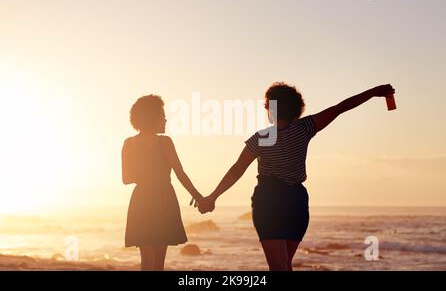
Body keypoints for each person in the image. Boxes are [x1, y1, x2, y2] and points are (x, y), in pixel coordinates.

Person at [196, 82, 395, 271]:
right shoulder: (305, 127)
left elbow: (236, 170)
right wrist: (373, 92)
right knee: (284, 264)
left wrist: (213, 196)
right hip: (296, 200)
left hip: (270, 200)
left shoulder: (261, 138)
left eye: (267, 106)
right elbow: (340, 107)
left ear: (272, 108)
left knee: (279, 265)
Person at [121, 94, 209, 271]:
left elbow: (126, 179)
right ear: (152, 118)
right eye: (162, 115)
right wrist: (198, 197)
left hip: (141, 200)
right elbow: (180, 174)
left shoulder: (129, 143)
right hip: (163, 198)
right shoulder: (165, 142)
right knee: (158, 263)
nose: (166, 119)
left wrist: (145, 174)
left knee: (147, 259)